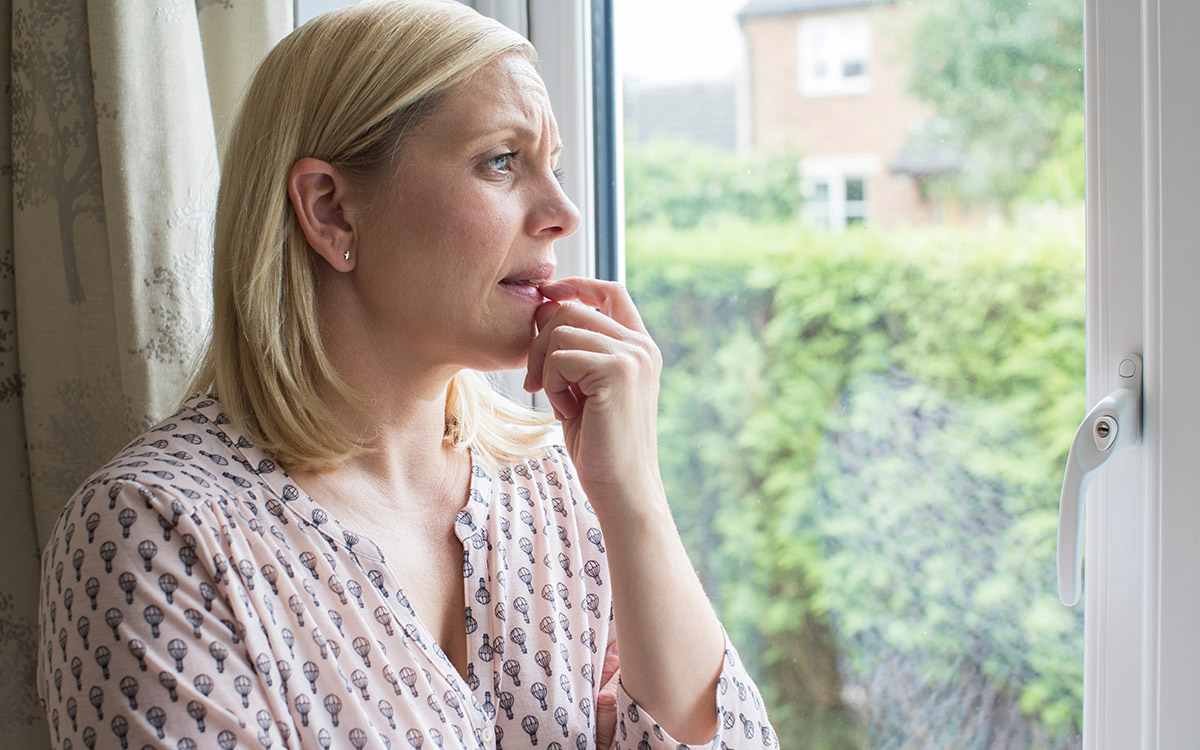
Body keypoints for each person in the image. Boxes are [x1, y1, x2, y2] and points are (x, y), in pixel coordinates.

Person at [35, 1, 776, 748]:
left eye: (553, 166)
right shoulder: (157, 534)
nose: (564, 212)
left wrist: (635, 492)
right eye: (501, 161)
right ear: (331, 211)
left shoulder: (564, 490)